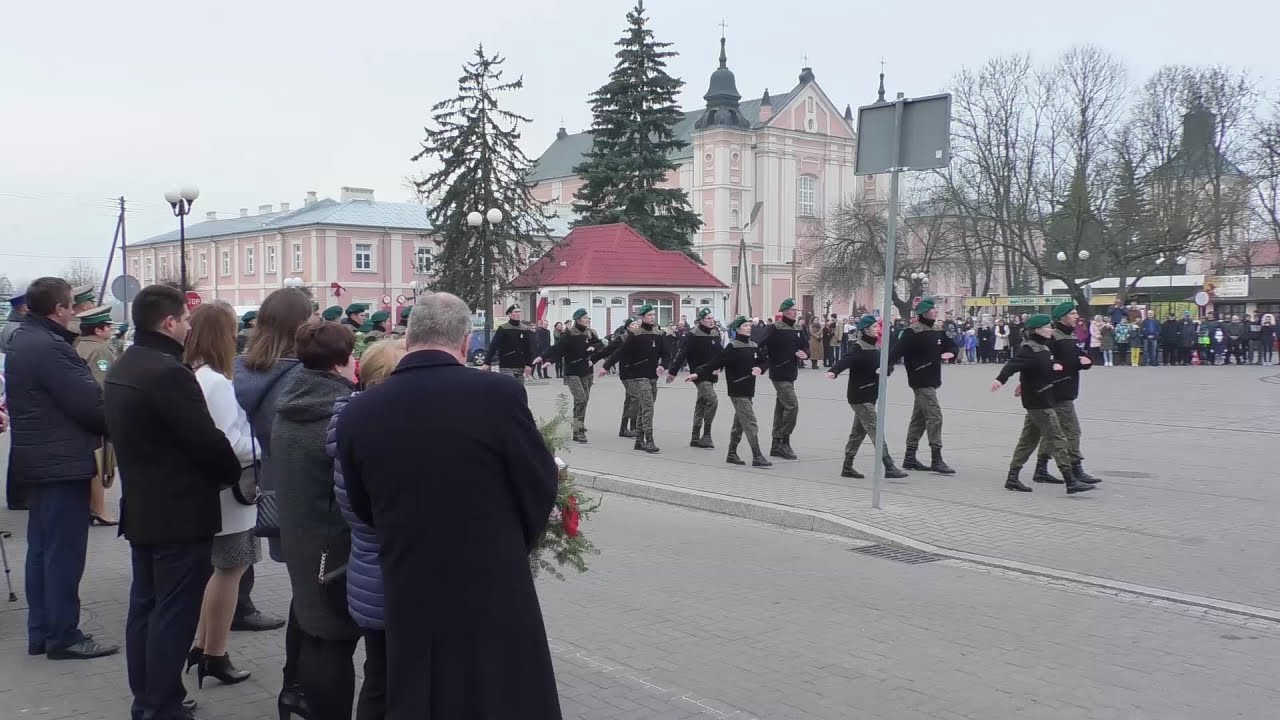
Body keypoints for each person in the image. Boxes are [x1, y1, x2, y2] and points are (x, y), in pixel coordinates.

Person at [335, 292, 561, 720]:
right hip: (491, 574)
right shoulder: (497, 394)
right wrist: (513, 541)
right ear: (465, 340)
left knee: (421, 686)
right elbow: (538, 481)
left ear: (410, 335)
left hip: (408, 573)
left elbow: (362, 504)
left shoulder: (360, 410)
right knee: (500, 686)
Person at [106, 284, 243, 719]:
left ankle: (145, 696)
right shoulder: (169, 372)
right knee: (173, 613)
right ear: (169, 322)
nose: (188, 326)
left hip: (144, 508)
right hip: (181, 513)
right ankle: (160, 703)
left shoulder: (126, 363)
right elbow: (207, 442)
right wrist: (230, 472)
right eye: (184, 319)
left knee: (144, 607)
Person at [6, 278, 116, 660]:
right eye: (72, 305)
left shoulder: (25, 339)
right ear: (59, 309)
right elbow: (90, 405)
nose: (76, 312)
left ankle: (42, 631)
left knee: (42, 550)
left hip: (39, 460)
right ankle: (63, 635)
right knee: (63, 554)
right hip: (60, 463)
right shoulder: (51, 348)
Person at [273, 320, 361, 720]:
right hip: (332, 544)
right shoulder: (337, 413)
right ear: (341, 362)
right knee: (333, 642)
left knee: (311, 628)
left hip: (300, 535)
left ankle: (294, 696)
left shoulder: (292, 402)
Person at [177, 303, 261, 691]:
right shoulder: (217, 383)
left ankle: (204, 646)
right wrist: (263, 445)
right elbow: (234, 444)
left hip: (211, 491)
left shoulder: (194, 375)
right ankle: (215, 652)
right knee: (229, 573)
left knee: (222, 572)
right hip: (230, 493)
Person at [233, 289, 309, 705]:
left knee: (231, 565)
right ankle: (297, 682)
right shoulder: (301, 375)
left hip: (249, 487)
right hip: (295, 491)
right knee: (310, 589)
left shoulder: (238, 370)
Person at [330, 338, 407, 720]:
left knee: (378, 675)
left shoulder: (349, 426)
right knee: (389, 679)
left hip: (367, 573)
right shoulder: (379, 433)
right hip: (389, 576)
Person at [990, 314, 1094, 495]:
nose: (1051, 330)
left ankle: (1012, 478)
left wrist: (1054, 367)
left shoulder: (1044, 348)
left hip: (1040, 400)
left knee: (1027, 442)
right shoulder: (1029, 349)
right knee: (1058, 439)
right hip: (1039, 403)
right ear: (1038, 330)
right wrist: (1000, 380)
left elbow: (1039, 370)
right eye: (1047, 327)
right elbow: (1012, 365)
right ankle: (1070, 480)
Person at [827, 314, 908, 480]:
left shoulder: (876, 348)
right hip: (860, 396)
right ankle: (889, 465)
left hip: (870, 395)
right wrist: (834, 371)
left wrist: (886, 370)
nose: (878, 329)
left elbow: (887, 365)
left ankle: (847, 467)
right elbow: (846, 360)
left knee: (858, 432)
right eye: (874, 327)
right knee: (876, 430)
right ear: (866, 330)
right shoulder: (859, 347)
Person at [685, 316, 770, 467]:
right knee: (750, 422)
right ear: (737, 329)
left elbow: (764, 361)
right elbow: (715, 362)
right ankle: (757, 456)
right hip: (737, 390)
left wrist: (761, 368)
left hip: (749, 389)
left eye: (749, 325)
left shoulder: (753, 346)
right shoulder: (732, 347)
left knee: (739, 423)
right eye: (745, 325)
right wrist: (698, 374)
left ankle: (731, 454)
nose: (749, 327)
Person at [1034, 300, 1103, 486]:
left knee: (1051, 432)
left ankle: (1040, 469)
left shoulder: (1070, 337)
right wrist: (1076, 363)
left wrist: (1086, 361)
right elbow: (1047, 363)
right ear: (1063, 317)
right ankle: (1075, 468)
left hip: (1067, 388)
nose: (1076, 316)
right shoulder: (1053, 338)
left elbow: (1081, 356)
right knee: (1072, 431)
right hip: (1057, 391)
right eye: (1072, 314)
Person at [887, 297, 958, 474]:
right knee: (935, 416)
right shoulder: (912, 332)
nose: (936, 311)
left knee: (919, 418)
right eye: (933, 309)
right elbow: (896, 352)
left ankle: (910, 457)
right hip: (920, 379)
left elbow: (951, 345)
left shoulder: (937, 329)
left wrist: (951, 353)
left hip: (933, 379)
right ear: (924, 313)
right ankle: (937, 458)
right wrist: (886, 367)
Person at [599, 304, 668, 453]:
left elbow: (666, 353)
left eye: (654, 315)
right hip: (638, 376)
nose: (653, 317)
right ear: (642, 317)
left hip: (653, 376)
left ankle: (638, 441)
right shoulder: (635, 334)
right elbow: (621, 352)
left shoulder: (659, 333)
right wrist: (606, 366)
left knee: (645, 408)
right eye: (650, 315)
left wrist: (664, 365)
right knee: (648, 407)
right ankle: (649, 441)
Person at [73, 305, 119, 526]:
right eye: (108, 326)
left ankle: (92, 508)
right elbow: (104, 384)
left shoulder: (78, 345)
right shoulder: (100, 350)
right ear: (99, 331)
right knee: (100, 463)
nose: (111, 329)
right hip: (97, 413)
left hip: (79, 414)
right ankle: (100, 510)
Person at [535, 309, 605, 443]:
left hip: (586, 371)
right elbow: (557, 349)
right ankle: (577, 432)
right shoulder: (569, 334)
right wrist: (545, 358)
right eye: (585, 318)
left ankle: (579, 424)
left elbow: (600, 344)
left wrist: (594, 348)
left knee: (583, 401)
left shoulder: (589, 332)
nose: (588, 319)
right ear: (578, 320)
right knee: (581, 398)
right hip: (572, 371)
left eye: (588, 317)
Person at [757, 299, 808, 460]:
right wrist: (764, 362)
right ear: (785, 311)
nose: (795, 312)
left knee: (781, 409)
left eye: (796, 310)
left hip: (791, 373)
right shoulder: (775, 328)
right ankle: (784, 441)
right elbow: (759, 344)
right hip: (779, 373)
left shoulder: (798, 328)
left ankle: (776, 445)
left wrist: (805, 354)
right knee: (792, 406)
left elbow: (805, 346)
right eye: (793, 310)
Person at [666, 307, 723, 448]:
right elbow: (682, 353)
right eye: (708, 319)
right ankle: (707, 435)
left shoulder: (716, 333)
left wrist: (719, 367)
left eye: (712, 318)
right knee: (713, 400)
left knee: (702, 403)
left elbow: (720, 354)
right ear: (701, 321)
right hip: (698, 374)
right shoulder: (693, 334)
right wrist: (673, 371)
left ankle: (695, 437)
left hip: (712, 374)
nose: (712, 321)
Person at [4, 292, 31, 510]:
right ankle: (18, 497)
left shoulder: (10, 326)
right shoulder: (18, 331)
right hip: (20, 394)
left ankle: (18, 496)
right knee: (21, 448)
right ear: (24, 308)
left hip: (13, 393)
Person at [482, 304, 534, 383]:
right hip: (506, 365)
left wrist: (529, 364)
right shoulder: (503, 328)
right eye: (515, 312)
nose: (518, 314)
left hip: (520, 366)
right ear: (509, 314)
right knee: (509, 386)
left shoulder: (524, 329)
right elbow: (493, 345)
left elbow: (529, 348)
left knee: (518, 389)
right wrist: (487, 362)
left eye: (519, 312)